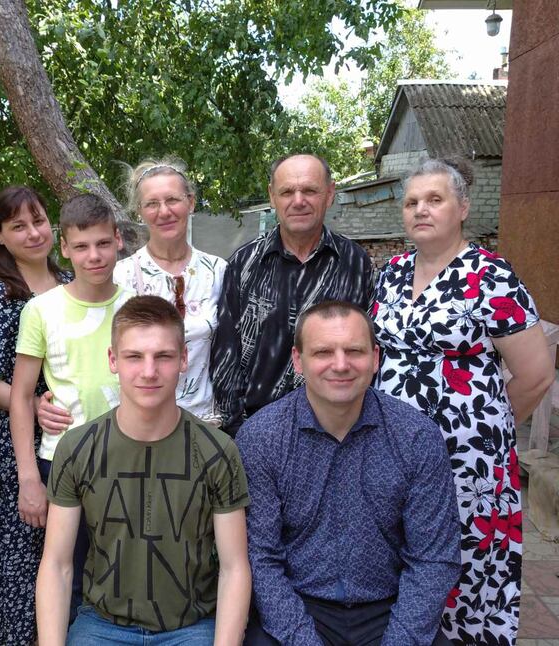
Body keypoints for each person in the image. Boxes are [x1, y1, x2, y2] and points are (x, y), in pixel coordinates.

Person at [372, 157, 555, 645]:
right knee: (402, 555)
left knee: (464, 564)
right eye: (412, 202)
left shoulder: (490, 275)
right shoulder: (390, 273)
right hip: (392, 449)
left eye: (435, 199)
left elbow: (536, 374)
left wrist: (482, 426)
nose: (421, 210)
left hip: (467, 461)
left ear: (463, 208)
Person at [237, 301, 461, 646]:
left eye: (353, 351)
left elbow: (433, 558)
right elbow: (262, 558)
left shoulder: (416, 437)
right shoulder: (262, 437)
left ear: (375, 357)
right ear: (298, 360)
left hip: (389, 609)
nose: (340, 365)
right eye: (323, 352)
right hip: (298, 607)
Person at [36, 295, 251, 646]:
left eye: (163, 356)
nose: (149, 371)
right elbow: (57, 565)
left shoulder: (218, 452)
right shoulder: (76, 448)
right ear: (113, 360)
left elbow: (234, 568)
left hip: (191, 627)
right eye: (134, 356)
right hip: (102, 625)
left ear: (183, 359)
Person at [8, 192, 132, 619]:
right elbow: (23, 394)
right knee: (68, 575)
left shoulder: (136, 304)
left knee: (125, 574)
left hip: (130, 462)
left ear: (118, 240)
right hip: (62, 464)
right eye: (80, 246)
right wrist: (28, 477)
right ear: (64, 247)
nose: (93, 256)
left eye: (102, 243)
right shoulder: (42, 310)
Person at [211, 153, 374, 436]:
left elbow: (368, 352)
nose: (298, 201)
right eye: (287, 192)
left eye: (310, 190)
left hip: (336, 432)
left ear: (330, 193)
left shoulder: (356, 263)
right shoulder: (244, 264)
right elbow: (226, 352)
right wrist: (238, 428)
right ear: (272, 197)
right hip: (256, 431)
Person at [0, 186, 72, 644]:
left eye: (38, 220)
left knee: (72, 550)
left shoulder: (75, 281)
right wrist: (29, 403)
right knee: (24, 548)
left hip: (75, 438)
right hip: (23, 444)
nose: (33, 233)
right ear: (0, 237)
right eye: (18, 226)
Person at [111, 158, 226, 423]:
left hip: (204, 422)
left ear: (191, 202)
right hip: (142, 424)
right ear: (140, 211)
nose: (164, 212)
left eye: (173, 200)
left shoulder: (218, 271)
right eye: (152, 203)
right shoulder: (122, 276)